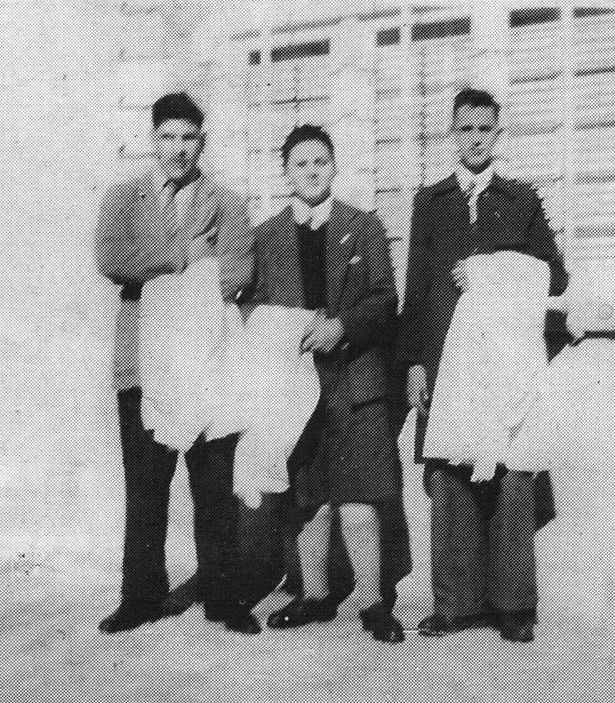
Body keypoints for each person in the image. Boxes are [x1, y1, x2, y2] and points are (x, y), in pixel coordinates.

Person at [395, 88, 568, 643]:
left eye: (484, 129)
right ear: (452, 133)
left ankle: (514, 606)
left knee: (514, 477)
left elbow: (554, 277)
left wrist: (490, 270)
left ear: (498, 134)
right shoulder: (430, 201)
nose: (474, 138)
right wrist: (415, 364)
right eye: (464, 128)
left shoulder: (521, 199)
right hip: (447, 361)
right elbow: (417, 290)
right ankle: (456, 604)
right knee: (449, 477)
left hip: (507, 363)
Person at [95, 92, 261, 634]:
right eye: (167, 137)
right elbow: (111, 258)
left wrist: (165, 273)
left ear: (202, 142)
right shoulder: (124, 198)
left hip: (207, 362)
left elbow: (237, 274)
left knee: (213, 487)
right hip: (140, 364)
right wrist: (183, 258)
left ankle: (224, 599)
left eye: (188, 138)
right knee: (145, 485)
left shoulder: (227, 202)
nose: (178, 149)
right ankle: (139, 597)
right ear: (153, 140)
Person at [250, 125, 411, 643]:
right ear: (286, 173)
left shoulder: (362, 226)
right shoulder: (268, 235)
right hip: (295, 384)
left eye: (321, 161)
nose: (312, 171)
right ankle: (316, 596)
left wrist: (341, 327)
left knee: (361, 502)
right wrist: (283, 329)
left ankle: (372, 601)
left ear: (335, 167)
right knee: (310, 500)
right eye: (301, 163)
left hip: (357, 380)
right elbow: (249, 304)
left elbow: (386, 300)